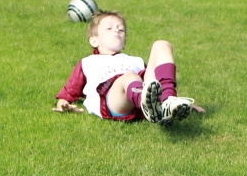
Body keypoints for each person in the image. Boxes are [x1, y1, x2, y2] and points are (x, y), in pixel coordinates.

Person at [54, 11, 202, 127]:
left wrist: (183, 104)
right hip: (113, 101)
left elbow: (154, 83)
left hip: (139, 92)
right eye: (109, 28)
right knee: (130, 77)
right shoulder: (88, 62)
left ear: (124, 42)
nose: (116, 31)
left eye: (121, 29)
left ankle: (169, 102)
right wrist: (62, 103)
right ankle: (154, 108)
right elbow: (69, 91)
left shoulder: (134, 60)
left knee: (162, 44)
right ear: (94, 40)